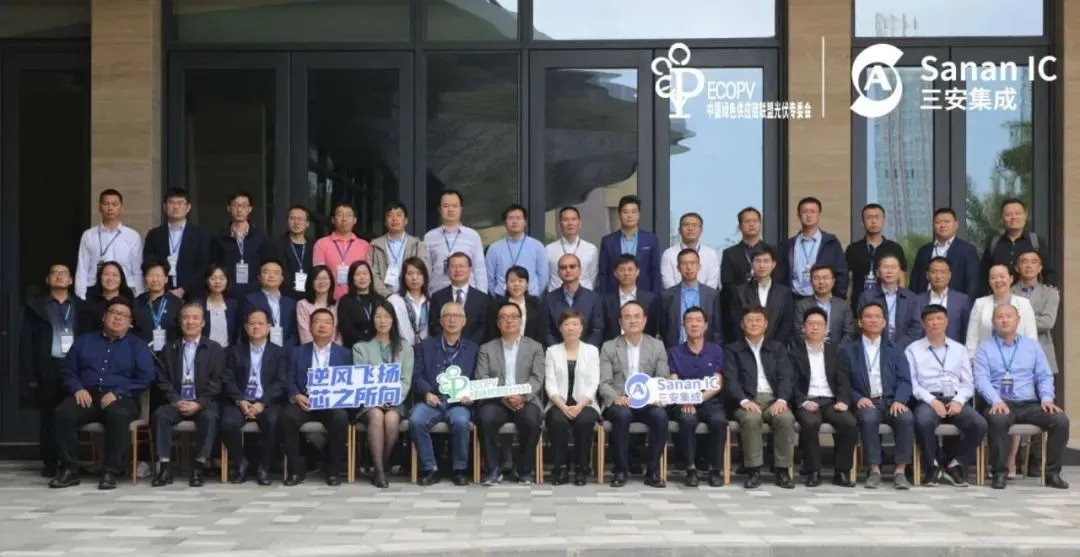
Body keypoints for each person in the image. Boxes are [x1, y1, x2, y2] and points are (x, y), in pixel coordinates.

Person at [49, 297, 155, 490]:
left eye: (123, 315)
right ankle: (69, 470)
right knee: (63, 413)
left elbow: (146, 377)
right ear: (104, 316)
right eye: (113, 313)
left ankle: (110, 472)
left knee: (118, 415)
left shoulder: (137, 346)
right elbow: (67, 370)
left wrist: (118, 393)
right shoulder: (84, 341)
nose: (117, 318)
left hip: (122, 399)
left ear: (130, 322)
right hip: (87, 396)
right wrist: (77, 388)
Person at [974, 304, 1069, 490]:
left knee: (1060, 420)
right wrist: (996, 401)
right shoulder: (985, 348)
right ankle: (999, 473)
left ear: (1018, 320)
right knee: (998, 420)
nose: (1005, 320)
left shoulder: (1032, 346)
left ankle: (1052, 473)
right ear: (993, 322)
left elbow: (1044, 375)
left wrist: (1047, 398)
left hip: (1030, 404)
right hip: (1000, 403)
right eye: (1000, 317)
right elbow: (981, 379)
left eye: (1009, 316)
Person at [905, 305, 987, 487]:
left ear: (947, 321)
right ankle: (932, 466)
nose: (935, 323)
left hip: (954, 399)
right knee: (923, 421)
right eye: (930, 320)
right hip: (928, 399)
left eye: (939, 319)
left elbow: (968, 383)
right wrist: (932, 401)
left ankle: (955, 464)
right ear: (923, 324)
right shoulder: (912, 350)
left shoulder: (959, 349)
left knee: (979, 424)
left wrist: (959, 401)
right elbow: (913, 384)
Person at [20, 264, 85, 477]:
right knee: (48, 416)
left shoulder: (81, 307)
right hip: (47, 366)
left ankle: (70, 461)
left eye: (63, 273)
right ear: (47, 280)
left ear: (71, 280)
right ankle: (50, 461)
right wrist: (30, 373)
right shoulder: (35, 307)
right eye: (54, 273)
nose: (59, 276)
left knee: (69, 415)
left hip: (74, 368)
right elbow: (26, 342)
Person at [841, 301, 914, 490]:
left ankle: (900, 471)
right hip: (866, 401)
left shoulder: (895, 350)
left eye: (877, 317)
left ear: (884, 322)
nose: (873, 320)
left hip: (890, 401)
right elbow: (843, 382)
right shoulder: (848, 350)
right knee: (868, 419)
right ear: (860, 322)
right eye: (868, 316)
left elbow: (905, 380)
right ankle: (874, 470)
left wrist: (899, 400)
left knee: (906, 418)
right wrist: (857, 398)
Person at [598, 301, 671, 488]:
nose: (633, 321)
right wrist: (616, 397)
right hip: (620, 400)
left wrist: (657, 397)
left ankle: (652, 471)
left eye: (637, 317)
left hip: (648, 401)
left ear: (645, 320)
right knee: (622, 415)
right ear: (620, 321)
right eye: (628, 317)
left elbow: (662, 378)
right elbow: (604, 382)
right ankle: (621, 470)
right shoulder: (609, 346)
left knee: (660, 416)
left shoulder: (657, 346)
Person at [151, 303, 224, 488]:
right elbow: (162, 379)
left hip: (203, 403)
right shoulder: (170, 348)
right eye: (186, 317)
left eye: (195, 318)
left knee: (210, 417)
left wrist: (199, 403)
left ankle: (199, 467)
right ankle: (165, 467)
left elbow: (217, 381)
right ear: (179, 321)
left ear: (203, 323)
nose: (190, 322)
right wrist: (176, 401)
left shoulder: (214, 348)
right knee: (160, 415)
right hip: (177, 402)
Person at [724, 306, 797, 489]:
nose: (754, 324)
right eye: (749, 320)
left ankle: (782, 471)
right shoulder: (733, 349)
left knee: (785, 418)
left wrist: (782, 400)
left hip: (774, 400)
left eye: (758, 320)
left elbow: (786, 377)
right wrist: (743, 400)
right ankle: (753, 470)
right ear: (742, 324)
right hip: (746, 400)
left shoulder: (777, 348)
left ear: (766, 324)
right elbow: (731, 380)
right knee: (751, 419)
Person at [475, 302, 545, 486]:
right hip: (496, 399)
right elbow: (482, 378)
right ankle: (493, 469)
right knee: (485, 417)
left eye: (514, 317)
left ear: (521, 321)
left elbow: (537, 378)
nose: (509, 321)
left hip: (525, 399)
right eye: (504, 317)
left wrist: (522, 396)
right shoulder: (486, 348)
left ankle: (523, 469)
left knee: (532, 420)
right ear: (498, 323)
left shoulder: (535, 347)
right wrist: (504, 396)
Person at [410, 302, 480, 486]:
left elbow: (477, 377)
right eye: (448, 316)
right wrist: (426, 393)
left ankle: (459, 469)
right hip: (432, 400)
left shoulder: (473, 349)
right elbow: (417, 376)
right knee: (416, 420)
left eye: (457, 316)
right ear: (441, 321)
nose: (452, 320)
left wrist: (471, 394)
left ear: (464, 321)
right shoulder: (425, 346)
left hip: (458, 402)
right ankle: (430, 468)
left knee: (461, 421)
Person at [279, 308, 351, 486]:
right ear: (310, 327)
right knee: (287, 417)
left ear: (333, 327)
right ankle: (296, 470)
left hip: (331, 403)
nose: (322, 326)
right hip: (304, 401)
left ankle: (333, 471)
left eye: (327, 322)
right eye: (317, 322)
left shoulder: (345, 354)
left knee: (340, 417)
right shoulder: (297, 352)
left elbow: (350, 384)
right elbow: (289, 379)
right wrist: (296, 395)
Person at [790, 307, 857, 488]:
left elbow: (844, 380)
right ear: (803, 328)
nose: (815, 327)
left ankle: (842, 472)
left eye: (819, 324)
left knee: (849, 423)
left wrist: (843, 400)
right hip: (807, 399)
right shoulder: (794, 352)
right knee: (810, 423)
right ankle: (813, 471)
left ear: (826, 329)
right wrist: (803, 401)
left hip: (831, 401)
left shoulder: (836, 351)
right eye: (810, 323)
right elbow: (790, 383)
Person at [220, 308, 288, 485]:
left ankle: (264, 467)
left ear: (269, 327)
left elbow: (281, 383)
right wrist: (240, 400)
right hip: (240, 401)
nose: (256, 327)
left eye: (260, 323)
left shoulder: (279, 353)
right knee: (227, 422)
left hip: (266, 402)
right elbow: (227, 379)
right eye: (252, 324)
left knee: (273, 421)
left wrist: (262, 403)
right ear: (245, 327)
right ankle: (241, 463)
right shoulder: (234, 351)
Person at [352, 300, 414, 488]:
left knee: (392, 419)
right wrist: (377, 398)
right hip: (370, 400)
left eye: (386, 316)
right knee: (377, 415)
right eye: (378, 316)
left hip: (396, 400)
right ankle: (379, 472)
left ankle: (380, 463)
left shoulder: (405, 347)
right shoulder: (361, 347)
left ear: (393, 320)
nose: (382, 321)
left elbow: (405, 380)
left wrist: (392, 397)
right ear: (372, 320)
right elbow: (361, 378)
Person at [665, 307, 727, 487]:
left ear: (705, 325)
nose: (694, 324)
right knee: (687, 419)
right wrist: (686, 398)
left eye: (698, 320)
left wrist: (697, 398)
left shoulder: (716, 350)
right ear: (683, 325)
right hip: (682, 400)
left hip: (708, 400)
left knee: (719, 421)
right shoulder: (674, 352)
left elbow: (717, 383)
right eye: (689, 320)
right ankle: (690, 469)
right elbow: (673, 379)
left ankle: (715, 469)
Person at [545, 309, 601, 486]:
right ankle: (560, 468)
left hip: (585, 402)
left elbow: (594, 382)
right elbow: (550, 384)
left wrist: (579, 406)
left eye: (575, 324)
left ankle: (581, 468)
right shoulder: (552, 351)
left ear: (582, 328)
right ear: (560, 328)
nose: (571, 328)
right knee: (557, 420)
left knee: (584, 421)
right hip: (558, 402)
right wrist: (563, 406)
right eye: (566, 324)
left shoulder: (592, 351)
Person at [720, 207, 781, 337]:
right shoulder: (730, 253)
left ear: (760, 224)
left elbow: (778, 278)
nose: (751, 224)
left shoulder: (772, 250)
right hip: (741, 310)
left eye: (755, 221)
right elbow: (727, 284)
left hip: (770, 309)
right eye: (747, 221)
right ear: (740, 226)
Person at [143, 187, 211, 300]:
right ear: (165, 207)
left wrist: (183, 289)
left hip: (192, 295)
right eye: (171, 203)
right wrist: (163, 289)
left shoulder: (201, 236)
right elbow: (148, 263)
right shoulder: (154, 235)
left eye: (180, 203)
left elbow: (204, 266)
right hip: (160, 294)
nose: (175, 207)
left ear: (188, 207)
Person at [75, 189, 144, 298]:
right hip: (94, 289)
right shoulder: (89, 235)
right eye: (106, 204)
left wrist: (139, 295)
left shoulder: (132, 236)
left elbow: (137, 270)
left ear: (121, 207)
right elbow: (82, 268)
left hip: (125, 289)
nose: (110, 208)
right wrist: (81, 296)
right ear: (99, 207)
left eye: (114, 204)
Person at [778, 196, 847, 299]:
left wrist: (837, 299)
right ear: (798, 215)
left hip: (823, 299)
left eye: (813, 211)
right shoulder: (788, 245)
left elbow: (841, 273)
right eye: (805, 212)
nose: (809, 215)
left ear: (819, 215)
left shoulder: (831, 243)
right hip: (794, 299)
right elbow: (780, 275)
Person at [980, 198, 1054, 291]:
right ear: (1002, 218)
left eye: (1018, 213)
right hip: (999, 296)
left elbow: (1049, 273)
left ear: (1025, 216)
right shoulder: (994, 243)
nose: (1014, 217)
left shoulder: (1036, 242)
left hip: (1030, 297)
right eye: (1008, 215)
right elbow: (983, 275)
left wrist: (1046, 294)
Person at [965, 264, 1038, 359]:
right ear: (989, 281)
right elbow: (972, 337)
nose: (998, 280)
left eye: (1002, 276)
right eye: (993, 278)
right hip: (986, 359)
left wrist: (1029, 359)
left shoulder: (1024, 304)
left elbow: (1031, 336)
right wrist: (971, 359)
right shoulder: (980, 304)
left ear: (1011, 279)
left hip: (1018, 359)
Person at [424, 189, 487, 294]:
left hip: (467, 295)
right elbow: (426, 270)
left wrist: (481, 296)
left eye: (455, 206)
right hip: (437, 294)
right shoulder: (430, 237)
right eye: (446, 206)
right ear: (439, 210)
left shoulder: (473, 236)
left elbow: (479, 270)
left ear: (461, 209)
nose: (450, 209)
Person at [857, 254, 923, 350]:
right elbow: (861, 325)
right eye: (885, 267)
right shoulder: (867, 297)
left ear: (900, 272)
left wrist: (898, 347)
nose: (889, 271)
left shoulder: (911, 298)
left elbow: (916, 328)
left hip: (904, 349)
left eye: (893, 267)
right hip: (874, 348)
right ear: (878, 272)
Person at [598, 195, 661, 295]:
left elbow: (655, 272)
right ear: (619, 214)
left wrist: (654, 297)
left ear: (639, 214)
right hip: (614, 295)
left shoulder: (651, 240)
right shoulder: (608, 241)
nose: (630, 216)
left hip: (644, 295)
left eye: (634, 212)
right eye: (625, 212)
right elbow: (603, 273)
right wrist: (604, 298)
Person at [730, 246, 793, 346]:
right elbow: (736, 323)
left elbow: (786, 323)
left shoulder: (784, 292)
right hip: (747, 347)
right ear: (752, 265)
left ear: (773, 264)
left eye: (766, 261)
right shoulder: (740, 291)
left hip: (776, 349)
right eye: (758, 261)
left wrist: (775, 347)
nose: (762, 265)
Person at [909, 208, 981, 296]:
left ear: (956, 225)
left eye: (947, 222)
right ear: (933, 226)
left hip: (955, 303)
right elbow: (915, 282)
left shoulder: (968, 250)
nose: (942, 225)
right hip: (925, 302)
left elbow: (973, 284)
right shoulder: (924, 251)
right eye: (938, 222)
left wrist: (965, 304)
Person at [845, 203, 907, 304]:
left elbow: (901, 280)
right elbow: (849, 282)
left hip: (887, 304)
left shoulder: (895, 248)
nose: (873, 221)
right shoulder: (853, 249)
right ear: (862, 222)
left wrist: (901, 304)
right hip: (859, 305)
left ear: (884, 221)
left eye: (877, 217)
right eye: (869, 217)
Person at [661, 248, 723, 348]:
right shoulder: (667, 296)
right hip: (675, 351)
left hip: (705, 351)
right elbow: (663, 329)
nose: (689, 267)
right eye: (684, 264)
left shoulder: (712, 295)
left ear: (699, 267)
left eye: (693, 263)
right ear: (678, 268)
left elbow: (717, 330)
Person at [212, 192, 269, 298]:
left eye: (243, 205)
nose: (239, 209)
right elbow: (215, 266)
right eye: (235, 205)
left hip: (255, 292)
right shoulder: (220, 237)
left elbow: (266, 265)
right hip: (228, 292)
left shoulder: (260, 237)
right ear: (229, 208)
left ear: (250, 209)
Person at [485, 204, 548, 297]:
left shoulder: (537, 246)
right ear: (505, 222)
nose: (515, 221)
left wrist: (534, 295)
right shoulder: (494, 248)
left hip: (530, 297)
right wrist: (497, 296)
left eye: (518, 218)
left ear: (525, 222)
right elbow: (489, 277)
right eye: (511, 218)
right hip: (502, 298)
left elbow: (543, 276)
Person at [429, 252, 492, 344]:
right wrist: (449, 343)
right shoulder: (437, 297)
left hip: (474, 348)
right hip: (444, 347)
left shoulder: (483, 299)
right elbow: (434, 325)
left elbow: (484, 328)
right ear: (448, 270)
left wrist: (467, 346)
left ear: (470, 269)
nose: (458, 270)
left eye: (461, 266)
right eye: (453, 267)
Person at [369, 201, 428, 298]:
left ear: (406, 221)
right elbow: (372, 274)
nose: (394, 219)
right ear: (385, 222)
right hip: (383, 299)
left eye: (399, 215)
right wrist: (388, 296)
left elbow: (423, 271)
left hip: (410, 297)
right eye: (390, 215)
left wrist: (408, 295)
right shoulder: (375, 245)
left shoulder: (417, 245)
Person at [1013, 250, 1059, 374]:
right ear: (1017, 268)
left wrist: (1017, 319)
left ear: (1040, 268)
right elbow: (1004, 323)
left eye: (1033, 262)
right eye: (1024, 262)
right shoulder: (1008, 293)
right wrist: (1036, 317)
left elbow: (1047, 323)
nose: (1029, 265)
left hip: (1042, 353)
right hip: (1014, 354)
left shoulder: (1050, 293)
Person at [543, 254, 604, 347]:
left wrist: (584, 351)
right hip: (557, 352)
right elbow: (547, 332)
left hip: (587, 352)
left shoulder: (593, 298)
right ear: (558, 273)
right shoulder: (549, 299)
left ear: (580, 270)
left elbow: (597, 330)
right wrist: (559, 351)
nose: (568, 270)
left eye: (572, 266)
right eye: (563, 267)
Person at [313, 202, 371, 300]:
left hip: (357, 300)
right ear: (333, 219)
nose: (344, 219)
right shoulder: (321, 244)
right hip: (329, 300)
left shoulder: (365, 245)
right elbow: (318, 274)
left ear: (355, 220)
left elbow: (368, 275)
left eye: (348, 215)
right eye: (340, 215)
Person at [600, 255, 659, 342]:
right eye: (622, 270)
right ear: (615, 273)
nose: (626, 273)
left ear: (637, 272)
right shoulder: (605, 300)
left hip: (643, 346)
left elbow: (653, 328)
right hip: (613, 346)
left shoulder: (650, 299)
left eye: (630, 269)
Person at [241, 259, 298, 348]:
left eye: (276, 272)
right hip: (261, 348)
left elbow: (295, 333)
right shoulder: (250, 300)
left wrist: (286, 349)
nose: (271, 275)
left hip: (287, 351)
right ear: (259, 277)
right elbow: (247, 330)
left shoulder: (291, 303)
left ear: (282, 278)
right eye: (266, 272)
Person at [793, 264, 856, 344]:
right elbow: (798, 332)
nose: (821, 282)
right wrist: (814, 346)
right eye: (817, 278)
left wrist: (837, 350)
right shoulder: (801, 305)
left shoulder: (843, 305)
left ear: (833, 281)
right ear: (811, 281)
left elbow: (849, 333)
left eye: (825, 278)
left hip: (838, 350)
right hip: (810, 349)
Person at [915, 257, 971, 343]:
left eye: (943, 272)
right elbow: (915, 329)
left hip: (954, 348)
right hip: (924, 348)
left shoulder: (962, 300)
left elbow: (966, 330)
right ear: (927, 275)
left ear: (949, 275)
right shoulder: (917, 300)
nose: (938, 276)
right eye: (934, 272)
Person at [264, 205, 314, 300]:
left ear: (307, 223)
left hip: (309, 297)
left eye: (300, 219)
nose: (296, 222)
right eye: (292, 218)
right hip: (283, 297)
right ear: (287, 222)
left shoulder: (314, 246)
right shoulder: (276, 245)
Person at [486, 266, 546, 345]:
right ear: (506, 284)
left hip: (530, 349)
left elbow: (541, 333)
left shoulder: (536, 304)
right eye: (512, 281)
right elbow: (492, 333)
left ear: (527, 284)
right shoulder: (496, 306)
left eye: (521, 281)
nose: (516, 284)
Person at [133, 257, 183, 351]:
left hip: (171, 354)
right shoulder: (137, 303)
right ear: (145, 278)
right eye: (151, 275)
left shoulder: (177, 303)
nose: (155, 279)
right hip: (142, 353)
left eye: (158, 275)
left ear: (166, 279)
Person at [545, 206, 599, 292]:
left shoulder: (591, 249)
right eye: (566, 220)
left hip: (585, 295)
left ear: (579, 223)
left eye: (573, 219)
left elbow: (593, 277)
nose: (570, 223)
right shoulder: (549, 249)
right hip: (557, 295)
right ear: (560, 224)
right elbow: (547, 277)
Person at [661, 212, 720, 290]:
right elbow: (668, 284)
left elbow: (712, 284)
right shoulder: (669, 254)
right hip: (676, 297)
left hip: (705, 297)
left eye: (694, 225)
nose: (690, 228)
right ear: (679, 230)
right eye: (686, 225)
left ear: (701, 230)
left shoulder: (711, 254)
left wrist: (698, 295)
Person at [338, 260, 384, 349]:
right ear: (352, 278)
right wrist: (365, 343)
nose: (362, 277)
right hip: (355, 347)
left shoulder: (379, 299)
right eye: (357, 274)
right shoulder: (345, 301)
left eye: (365, 274)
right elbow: (346, 329)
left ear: (370, 277)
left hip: (379, 347)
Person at [79, 261, 135, 333]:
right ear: (100, 277)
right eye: (106, 274)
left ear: (121, 279)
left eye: (115, 275)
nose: (110, 278)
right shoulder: (88, 303)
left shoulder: (131, 303)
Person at [388, 257, 430, 346]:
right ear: (403, 276)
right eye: (409, 274)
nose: (414, 278)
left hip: (427, 349)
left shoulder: (431, 302)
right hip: (402, 349)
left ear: (425, 276)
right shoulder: (394, 301)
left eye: (419, 273)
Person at [295, 265, 341, 345]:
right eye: (317, 279)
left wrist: (332, 350)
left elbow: (340, 336)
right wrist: (319, 350)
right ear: (311, 282)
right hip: (310, 350)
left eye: (325, 278)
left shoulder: (337, 305)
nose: (321, 282)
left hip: (335, 350)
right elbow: (305, 336)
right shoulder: (302, 305)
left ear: (331, 281)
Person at [200, 265, 240, 349]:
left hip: (228, 352)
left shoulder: (233, 305)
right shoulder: (199, 305)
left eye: (221, 278)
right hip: (205, 351)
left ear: (227, 281)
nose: (217, 281)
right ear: (207, 281)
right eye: (213, 278)